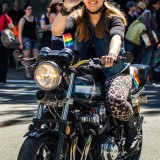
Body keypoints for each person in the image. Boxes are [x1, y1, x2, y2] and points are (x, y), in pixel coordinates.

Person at [52, 0, 139, 152]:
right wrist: (65, 8)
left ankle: (132, 131)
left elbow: (116, 37)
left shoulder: (113, 17)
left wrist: (112, 54)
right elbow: (57, 31)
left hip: (114, 72)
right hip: (83, 73)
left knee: (115, 101)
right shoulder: (76, 17)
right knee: (55, 97)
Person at [140, 0, 160, 81]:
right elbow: (146, 26)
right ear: (154, 4)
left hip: (153, 42)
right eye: (158, 3)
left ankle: (147, 78)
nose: (159, 5)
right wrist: (152, 39)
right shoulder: (147, 12)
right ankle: (142, 79)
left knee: (151, 61)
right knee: (146, 61)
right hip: (149, 41)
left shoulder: (153, 12)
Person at [18, 4, 39, 79]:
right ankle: (27, 73)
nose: (29, 10)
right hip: (26, 39)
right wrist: (20, 43)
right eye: (28, 9)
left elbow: (36, 30)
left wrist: (38, 40)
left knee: (36, 57)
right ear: (25, 10)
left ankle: (34, 72)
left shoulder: (35, 19)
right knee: (27, 57)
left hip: (34, 39)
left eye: (30, 9)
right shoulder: (22, 19)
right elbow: (20, 32)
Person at [8, 0, 25, 67]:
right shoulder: (10, 12)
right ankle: (11, 62)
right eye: (16, 2)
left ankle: (20, 62)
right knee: (12, 47)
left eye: (19, 2)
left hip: (21, 32)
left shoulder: (22, 12)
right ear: (13, 3)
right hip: (13, 32)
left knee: (20, 47)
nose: (17, 3)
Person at [0, 3, 14, 85]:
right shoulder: (5, 16)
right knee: (3, 60)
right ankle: (2, 79)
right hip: (2, 39)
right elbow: (11, 27)